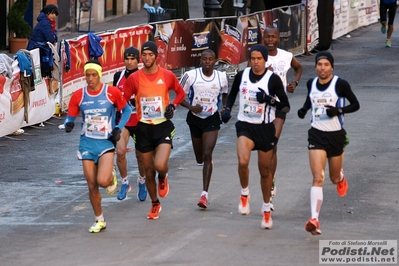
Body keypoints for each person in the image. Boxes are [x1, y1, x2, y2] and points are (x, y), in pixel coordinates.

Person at [221, 44, 290, 229]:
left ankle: (266, 209)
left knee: (265, 171)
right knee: (243, 161)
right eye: (253, 58)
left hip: (265, 127)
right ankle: (244, 194)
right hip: (245, 125)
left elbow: (285, 106)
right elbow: (233, 92)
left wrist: (268, 99)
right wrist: (227, 109)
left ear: (265, 60)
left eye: (259, 59)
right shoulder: (242, 75)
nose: (256, 62)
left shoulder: (272, 79)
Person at [64, 60, 132, 233]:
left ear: (100, 75)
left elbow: (127, 111)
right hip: (86, 142)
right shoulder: (79, 95)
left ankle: (111, 176)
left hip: (105, 142)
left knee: (102, 181)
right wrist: (68, 124)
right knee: (91, 184)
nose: (90, 79)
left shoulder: (111, 93)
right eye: (87, 75)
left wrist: (118, 127)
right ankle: (99, 219)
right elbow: (70, 116)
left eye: (94, 75)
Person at [297, 51, 360, 235]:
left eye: (326, 64)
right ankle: (314, 219)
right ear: (315, 66)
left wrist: (338, 110)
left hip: (336, 136)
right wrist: (304, 109)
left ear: (332, 67)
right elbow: (311, 98)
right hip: (316, 134)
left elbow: (355, 104)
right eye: (319, 64)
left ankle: (340, 177)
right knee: (318, 177)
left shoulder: (340, 84)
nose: (322, 67)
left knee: (332, 178)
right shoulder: (311, 83)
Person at [123, 41, 186, 219]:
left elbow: (180, 93)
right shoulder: (134, 78)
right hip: (143, 127)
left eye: (150, 55)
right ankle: (155, 203)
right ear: (141, 57)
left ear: (156, 56)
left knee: (159, 165)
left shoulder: (166, 75)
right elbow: (123, 99)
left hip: (163, 126)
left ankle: (163, 176)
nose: (147, 58)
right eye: (144, 55)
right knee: (149, 170)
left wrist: (172, 106)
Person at [179, 49, 229, 209]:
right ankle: (205, 161)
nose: (207, 62)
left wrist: (223, 108)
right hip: (195, 119)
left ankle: (204, 195)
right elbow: (179, 95)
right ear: (200, 61)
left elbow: (225, 93)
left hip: (212, 119)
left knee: (208, 153)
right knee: (200, 158)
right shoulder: (191, 76)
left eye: (210, 59)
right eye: (204, 59)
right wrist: (191, 107)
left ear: (215, 61)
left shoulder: (221, 77)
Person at [262, 26, 303, 210]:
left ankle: (270, 186)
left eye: (273, 37)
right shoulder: (257, 56)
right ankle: (270, 178)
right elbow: (248, 76)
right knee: (269, 150)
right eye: (267, 37)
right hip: (261, 106)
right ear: (263, 38)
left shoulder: (286, 56)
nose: (270, 40)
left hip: (280, 105)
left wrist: (294, 83)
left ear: (278, 38)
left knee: (272, 143)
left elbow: (298, 67)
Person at [113, 46, 147, 201]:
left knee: (141, 156)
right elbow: (114, 98)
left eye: (133, 59)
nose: (129, 62)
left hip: (140, 121)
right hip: (124, 121)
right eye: (127, 58)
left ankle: (142, 180)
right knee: (120, 153)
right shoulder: (118, 76)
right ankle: (125, 182)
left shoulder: (143, 76)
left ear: (138, 60)